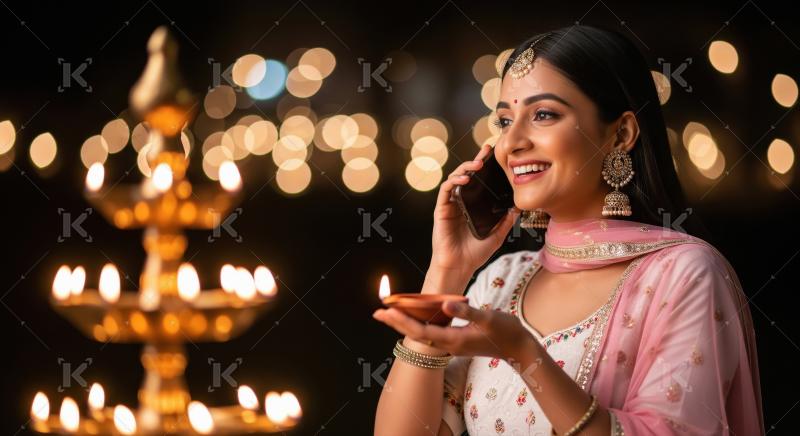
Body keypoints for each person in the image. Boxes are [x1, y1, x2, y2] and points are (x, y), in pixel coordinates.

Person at [372, 26, 763, 436]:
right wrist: (446, 272)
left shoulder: (684, 275)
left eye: (543, 115)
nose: (512, 143)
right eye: (504, 120)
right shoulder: (501, 281)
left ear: (621, 133)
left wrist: (524, 354)